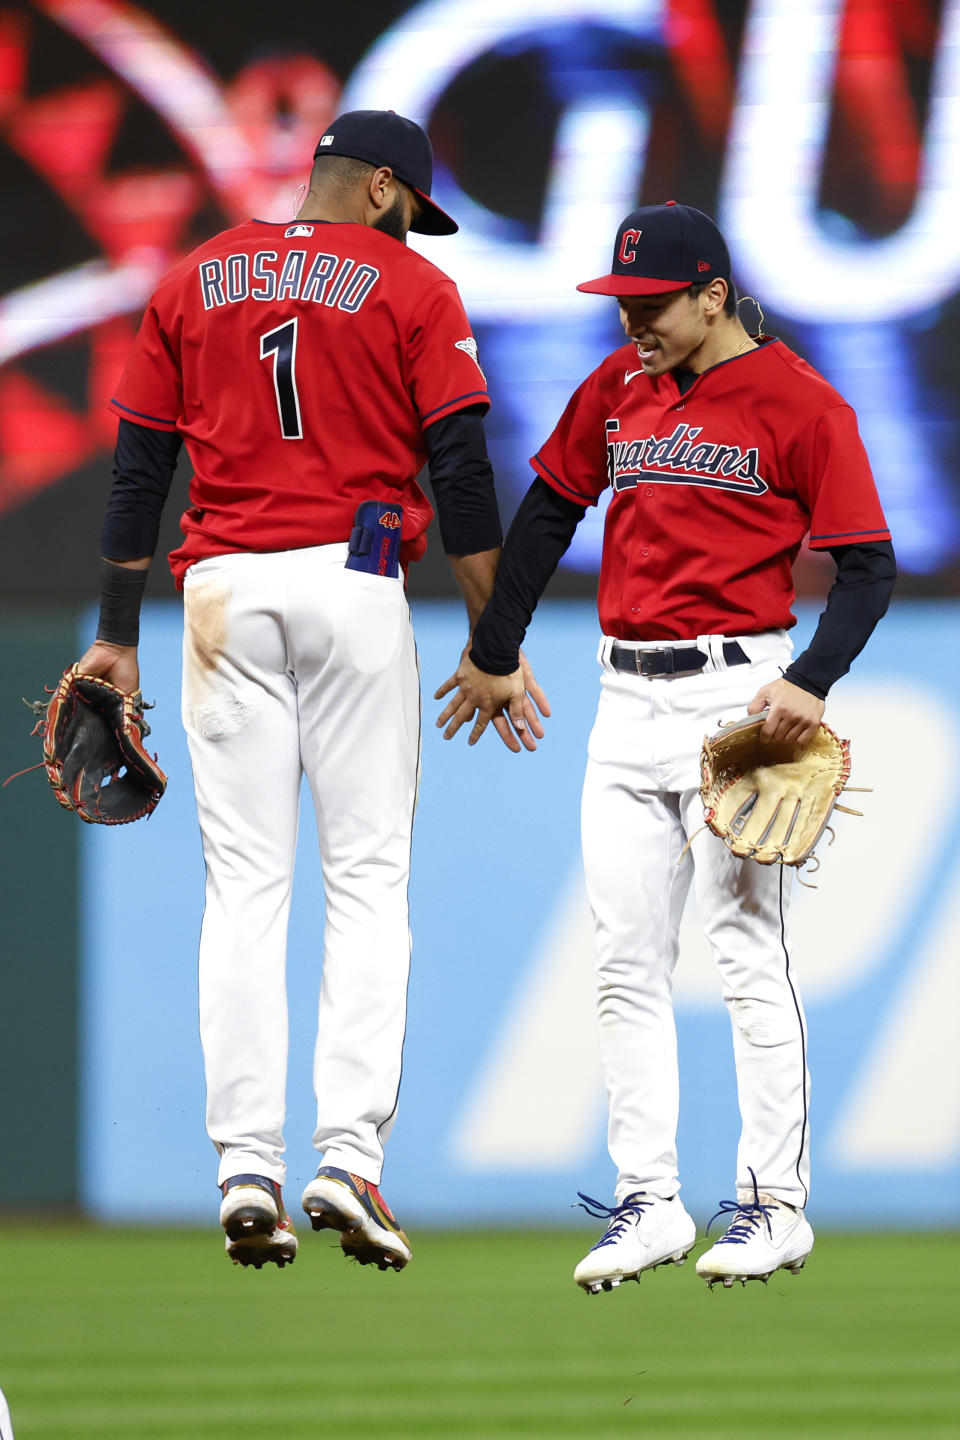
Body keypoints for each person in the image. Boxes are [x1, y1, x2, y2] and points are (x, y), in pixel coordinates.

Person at [74, 109, 546, 1271]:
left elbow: (140, 468)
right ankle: (347, 1157)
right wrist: (495, 637)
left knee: (243, 891)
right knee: (367, 882)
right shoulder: (410, 288)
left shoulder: (197, 276)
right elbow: (461, 477)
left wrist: (116, 638)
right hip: (354, 581)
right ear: (382, 189)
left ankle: (244, 1164)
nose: (417, 227)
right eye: (414, 207)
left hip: (222, 591)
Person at [437, 201, 895, 1292]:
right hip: (622, 696)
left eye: (654, 305)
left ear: (714, 297)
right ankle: (649, 1199)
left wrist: (807, 683)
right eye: (624, 302)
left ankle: (776, 1205)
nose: (635, 321)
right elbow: (548, 510)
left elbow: (869, 569)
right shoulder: (618, 388)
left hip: (741, 696)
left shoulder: (803, 404)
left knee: (744, 959)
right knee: (623, 963)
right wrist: (494, 645)